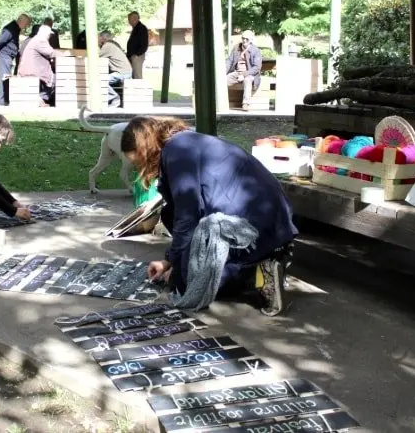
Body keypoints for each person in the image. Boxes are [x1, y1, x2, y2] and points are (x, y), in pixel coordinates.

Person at [120, 116, 298, 316]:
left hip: (254, 226)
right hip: (270, 221)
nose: (140, 169)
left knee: (186, 284)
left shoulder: (177, 152)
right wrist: (168, 261)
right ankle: (270, 256)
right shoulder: (183, 141)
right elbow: (183, 210)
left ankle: (256, 271)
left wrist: (178, 267)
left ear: (146, 150)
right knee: (168, 215)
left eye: (139, 162)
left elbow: (187, 216)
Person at [0, 13, 32, 106]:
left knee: (6, 78)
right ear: (21, 21)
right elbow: (2, 40)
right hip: (4, 56)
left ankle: (2, 99)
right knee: (5, 78)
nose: (26, 27)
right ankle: (2, 100)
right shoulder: (11, 29)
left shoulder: (15, 28)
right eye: (26, 24)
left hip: (7, 56)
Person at [17, 25, 58, 106]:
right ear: (46, 34)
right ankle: (41, 98)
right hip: (33, 71)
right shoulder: (40, 40)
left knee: (53, 77)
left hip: (29, 69)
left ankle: (42, 98)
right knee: (58, 78)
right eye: (49, 35)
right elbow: (52, 53)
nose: (49, 36)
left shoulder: (35, 39)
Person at [225, 30, 262, 111]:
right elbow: (229, 61)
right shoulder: (236, 48)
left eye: (247, 39)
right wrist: (223, 73)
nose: (244, 40)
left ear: (251, 40)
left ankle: (245, 104)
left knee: (247, 80)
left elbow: (257, 67)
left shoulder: (256, 50)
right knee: (222, 81)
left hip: (250, 74)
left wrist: (244, 75)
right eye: (243, 38)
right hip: (237, 73)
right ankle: (217, 101)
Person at [99, 30, 133, 107]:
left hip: (121, 73)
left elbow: (96, 56)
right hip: (126, 72)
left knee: (100, 80)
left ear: (102, 38)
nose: (97, 39)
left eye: (98, 37)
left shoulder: (107, 46)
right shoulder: (113, 44)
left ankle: (114, 97)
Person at [126, 11, 148, 79]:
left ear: (135, 19)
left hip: (137, 56)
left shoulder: (141, 28)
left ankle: (139, 89)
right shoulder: (136, 28)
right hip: (133, 56)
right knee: (133, 75)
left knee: (137, 76)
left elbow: (144, 44)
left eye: (130, 19)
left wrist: (137, 54)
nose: (129, 21)